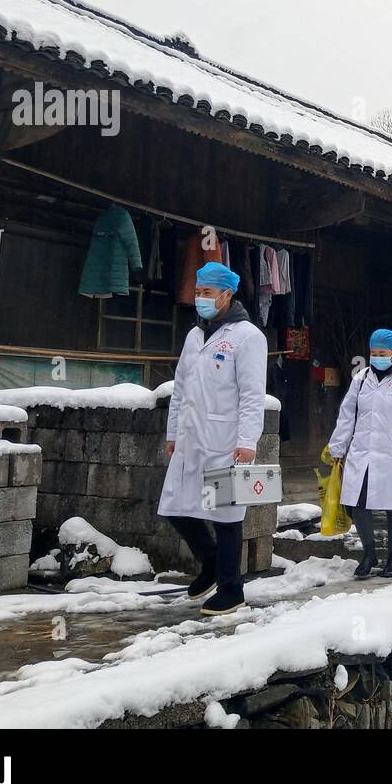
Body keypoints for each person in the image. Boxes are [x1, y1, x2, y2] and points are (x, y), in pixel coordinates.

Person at [160, 260, 266, 616]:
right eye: (198, 292)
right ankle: (210, 564)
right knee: (176, 507)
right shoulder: (194, 335)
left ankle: (231, 589)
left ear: (227, 294)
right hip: (190, 438)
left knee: (225, 515)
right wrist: (173, 432)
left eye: (207, 293)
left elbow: (253, 394)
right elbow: (181, 388)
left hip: (225, 441)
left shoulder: (248, 337)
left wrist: (248, 441)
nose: (201, 298)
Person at [328, 328, 392, 578]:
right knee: (358, 504)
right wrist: (338, 447)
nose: (376, 357)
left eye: (382, 353)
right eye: (373, 353)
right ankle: (369, 553)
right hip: (364, 452)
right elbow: (347, 413)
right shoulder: (361, 378)